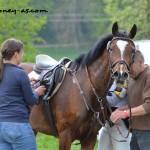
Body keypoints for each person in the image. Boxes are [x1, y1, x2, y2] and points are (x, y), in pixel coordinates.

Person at [0, 38, 46, 150]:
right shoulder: (20, 73)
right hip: (18, 127)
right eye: (22, 53)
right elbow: (31, 100)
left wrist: (26, 83)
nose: (22, 56)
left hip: (1, 128)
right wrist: (37, 92)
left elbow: (9, 89)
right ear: (16, 54)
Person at [111, 50, 150, 150]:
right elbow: (134, 104)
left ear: (140, 63)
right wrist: (119, 110)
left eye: (129, 66)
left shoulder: (148, 76)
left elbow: (148, 106)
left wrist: (125, 113)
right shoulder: (131, 78)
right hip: (135, 131)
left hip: (147, 133)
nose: (127, 70)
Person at [98, 80, 131, 150]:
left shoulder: (122, 80)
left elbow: (111, 101)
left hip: (120, 124)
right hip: (107, 123)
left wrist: (93, 95)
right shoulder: (110, 79)